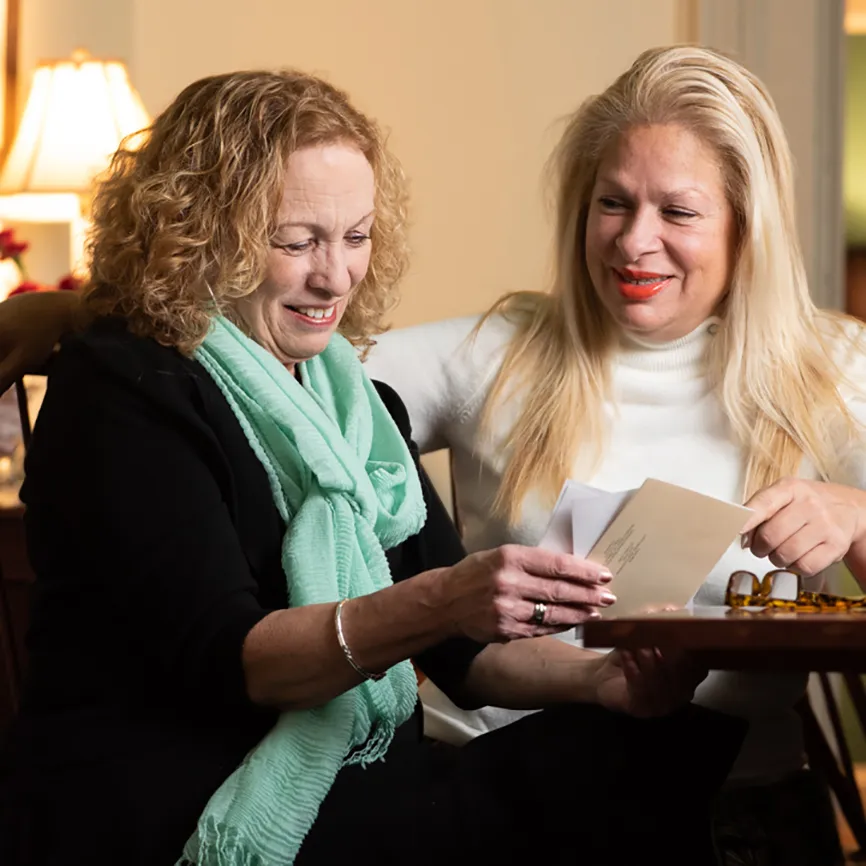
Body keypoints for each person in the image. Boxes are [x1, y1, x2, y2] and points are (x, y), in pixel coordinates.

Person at [0, 69, 747, 866]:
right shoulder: (122, 389)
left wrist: (603, 684)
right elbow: (234, 661)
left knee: (644, 758)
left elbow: (468, 657)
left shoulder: (353, 402)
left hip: (368, 799)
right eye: (296, 241)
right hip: (178, 803)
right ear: (195, 233)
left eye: (355, 237)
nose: (334, 277)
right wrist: (440, 600)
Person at [357, 46, 864, 865]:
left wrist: (857, 514)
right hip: (512, 806)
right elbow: (287, 389)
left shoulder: (832, 369)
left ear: (746, 223)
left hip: (741, 815)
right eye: (613, 203)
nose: (635, 242)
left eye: (679, 212)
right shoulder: (494, 353)